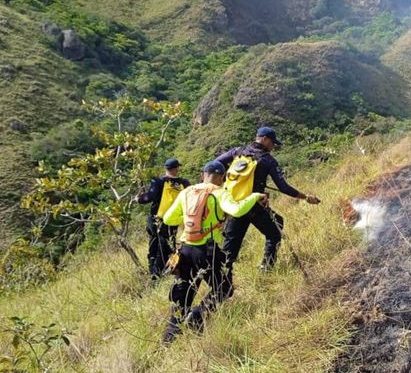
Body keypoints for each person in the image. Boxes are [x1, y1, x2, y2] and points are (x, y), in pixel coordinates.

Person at [160, 161, 267, 343]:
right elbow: (237, 210)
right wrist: (256, 195)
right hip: (208, 251)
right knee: (224, 288)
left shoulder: (186, 192)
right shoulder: (218, 192)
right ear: (221, 178)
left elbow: (169, 219)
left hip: (185, 250)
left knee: (183, 296)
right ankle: (198, 315)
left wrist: (186, 218)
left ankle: (168, 340)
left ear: (203, 174)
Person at [214, 126, 321, 272]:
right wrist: (305, 197)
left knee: (230, 249)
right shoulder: (268, 160)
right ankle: (266, 267)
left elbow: (216, 163)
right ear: (264, 139)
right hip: (254, 206)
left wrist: (226, 176)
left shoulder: (237, 152)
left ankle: (221, 280)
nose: (273, 147)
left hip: (234, 206)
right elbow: (283, 187)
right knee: (275, 232)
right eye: (272, 143)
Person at [136, 158, 190, 279]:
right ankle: (167, 268)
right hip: (173, 219)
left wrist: (138, 199)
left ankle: (155, 272)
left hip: (157, 218)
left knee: (155, 244)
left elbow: (149, 197)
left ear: (166, 168)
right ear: (177, 168)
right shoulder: (184, 183)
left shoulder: (158, 181)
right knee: (168, 244)